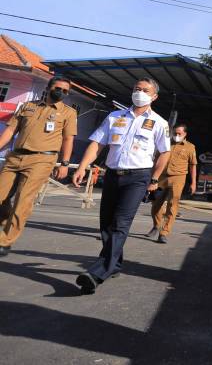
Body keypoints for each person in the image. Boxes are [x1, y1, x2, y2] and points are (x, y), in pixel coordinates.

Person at [72, 78, 170, 294]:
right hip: (112, 175)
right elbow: (97, 143)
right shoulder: (114, 117)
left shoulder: (159, 123)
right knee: (106, 223)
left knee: (120, 223)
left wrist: (154, 178)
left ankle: (97, 273)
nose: (140, 92)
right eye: (137, 88)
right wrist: (81, 167)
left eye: (145, 90)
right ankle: (114, 264)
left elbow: (164, 152)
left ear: (154, 97)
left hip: (138, 177)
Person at [0, 76, 77, 256]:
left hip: (41, 160)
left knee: (23, 199)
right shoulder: (28, 106)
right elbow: (11, 130)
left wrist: (64, 163)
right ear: (49, 88)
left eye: (66, 91)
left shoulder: (68, 113)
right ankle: (5, 223)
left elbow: (68, 139)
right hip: (15, 157)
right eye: (58, 88)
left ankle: (6, 240)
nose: (61, 93)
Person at [146, 123, 197, 244]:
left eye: (179, 133)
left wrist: (193, 183)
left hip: (178, 178)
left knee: (172, 206)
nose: (176, 135)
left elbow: (193, 166)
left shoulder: (190, 147)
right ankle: (156, 225)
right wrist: (152, 178)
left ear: (185, 134)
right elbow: (156, 161)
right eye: (175, 133)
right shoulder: (165, 143)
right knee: (155, 205)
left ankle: (164, 233)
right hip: (161, 178)